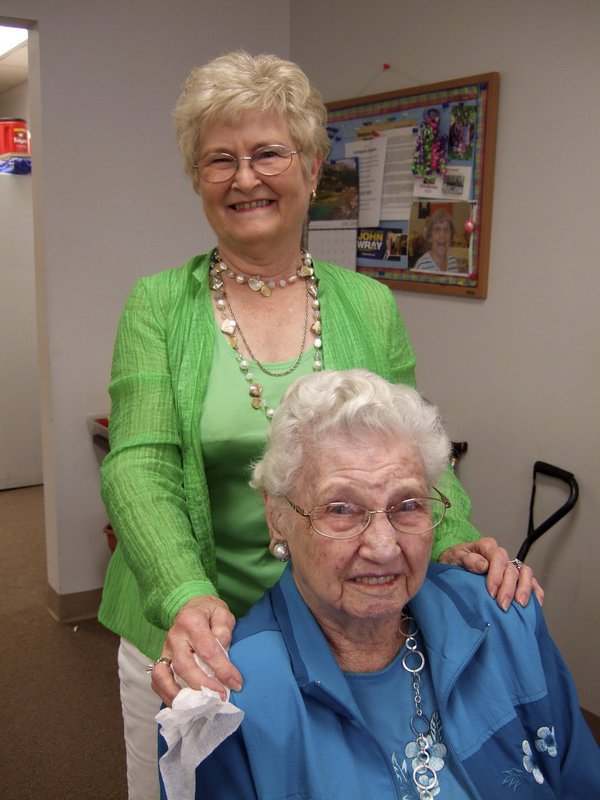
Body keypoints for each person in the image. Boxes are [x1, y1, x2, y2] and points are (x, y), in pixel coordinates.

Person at [98, 51, 540, 798]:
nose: (245, 178)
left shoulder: (369, 303)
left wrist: (457, 534)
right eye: (219, 160)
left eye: (268, 153)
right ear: (198, 179)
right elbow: (138, 463)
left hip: (345, 634)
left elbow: (414, 454)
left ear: (309, 168)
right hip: (199, 641)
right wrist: (183, 596)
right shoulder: (157, 306)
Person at [183, 370, 599, 800]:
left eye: (407, 505)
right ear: (278, 517)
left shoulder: (505, 613)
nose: (384, 548)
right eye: (341, 508)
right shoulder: (225, 699)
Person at [413, 208, 461, 272]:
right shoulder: (421, 267)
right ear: (430, 237)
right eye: (437, 229)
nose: (442, 235)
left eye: (446, 230)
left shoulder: (453, 262)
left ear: (451, 236)